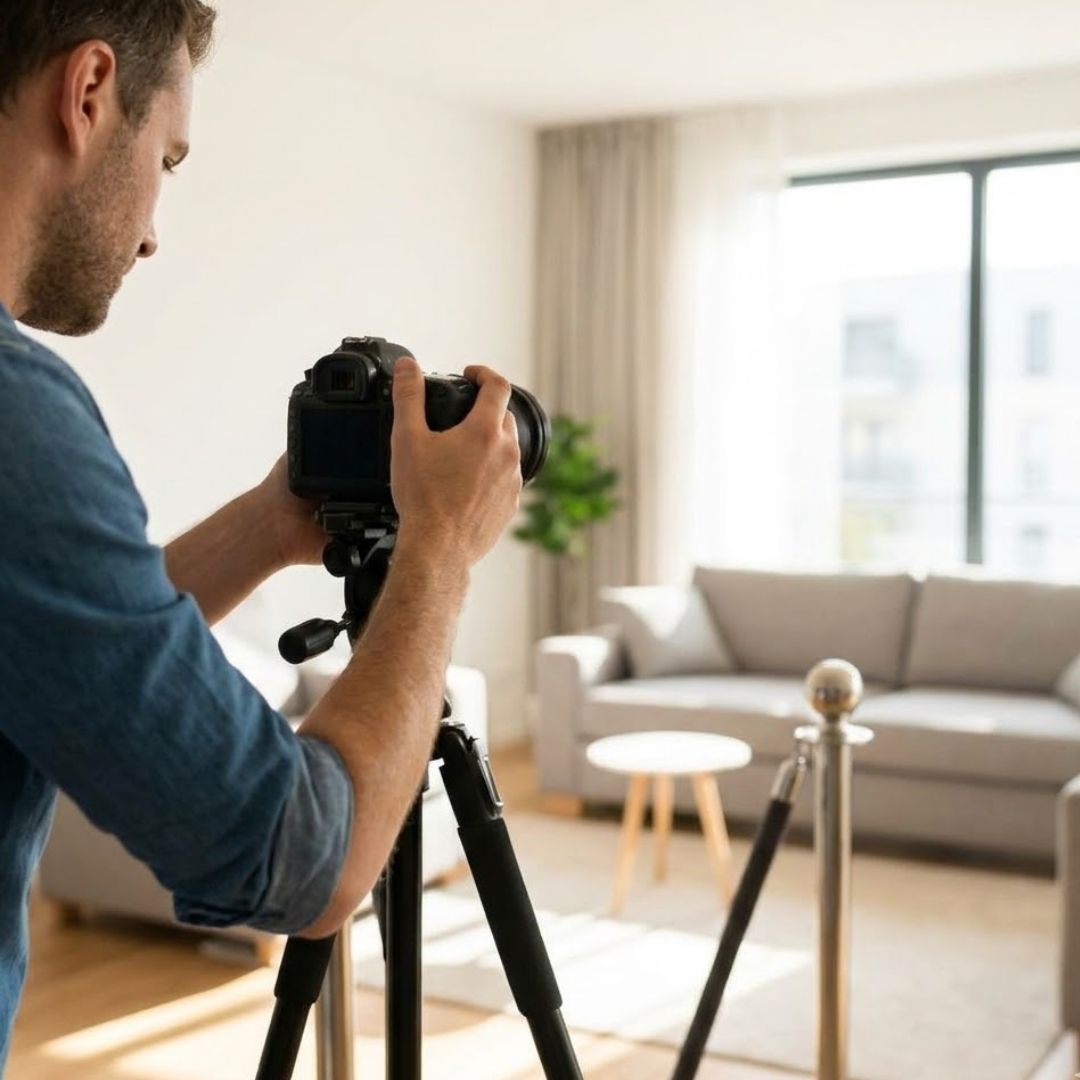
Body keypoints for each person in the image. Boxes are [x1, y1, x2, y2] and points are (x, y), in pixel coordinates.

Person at [0, 1, 524, 1067]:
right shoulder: (15, 420)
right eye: (170, 159)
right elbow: (304, 863)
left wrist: (277, 518)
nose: (153, 230)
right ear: (89, 92)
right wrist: (438, 549)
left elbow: (62, 654)